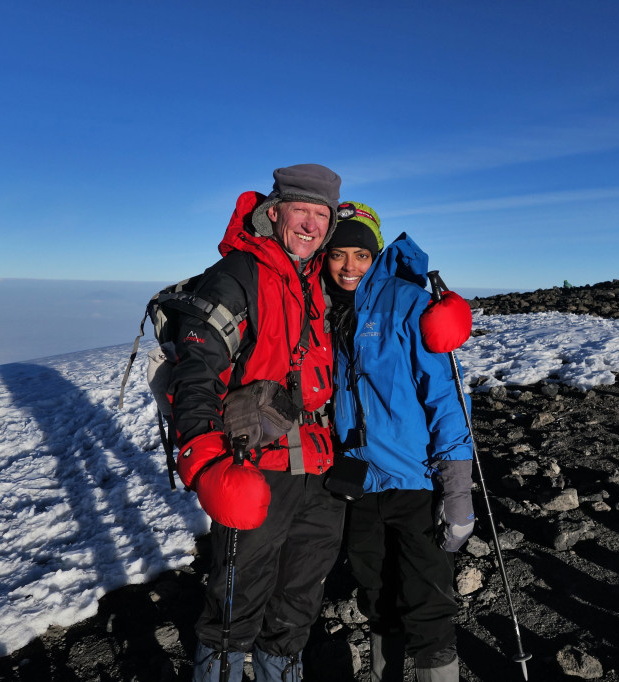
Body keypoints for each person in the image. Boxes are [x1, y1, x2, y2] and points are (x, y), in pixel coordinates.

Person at [168, 164, 347, 682]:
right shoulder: (239, 275)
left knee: (299, 596)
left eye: (321, 215)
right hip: (257, 468)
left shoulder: (319, 281)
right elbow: (196, 370)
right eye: (302, 212)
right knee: (236, 599)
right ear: (275, 213)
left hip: (319, 469)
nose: (312, 226)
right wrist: (205, 463)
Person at [324, 202, 475, 682]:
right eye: (338, 255)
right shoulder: (326, 311)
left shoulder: (409, 303)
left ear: (376, 255)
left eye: (361, 255)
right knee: (376, 601)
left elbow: (446, 397)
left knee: (428, 604)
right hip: (359, 487)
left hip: (415, 481)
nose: (349, 266)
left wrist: (457, 490)